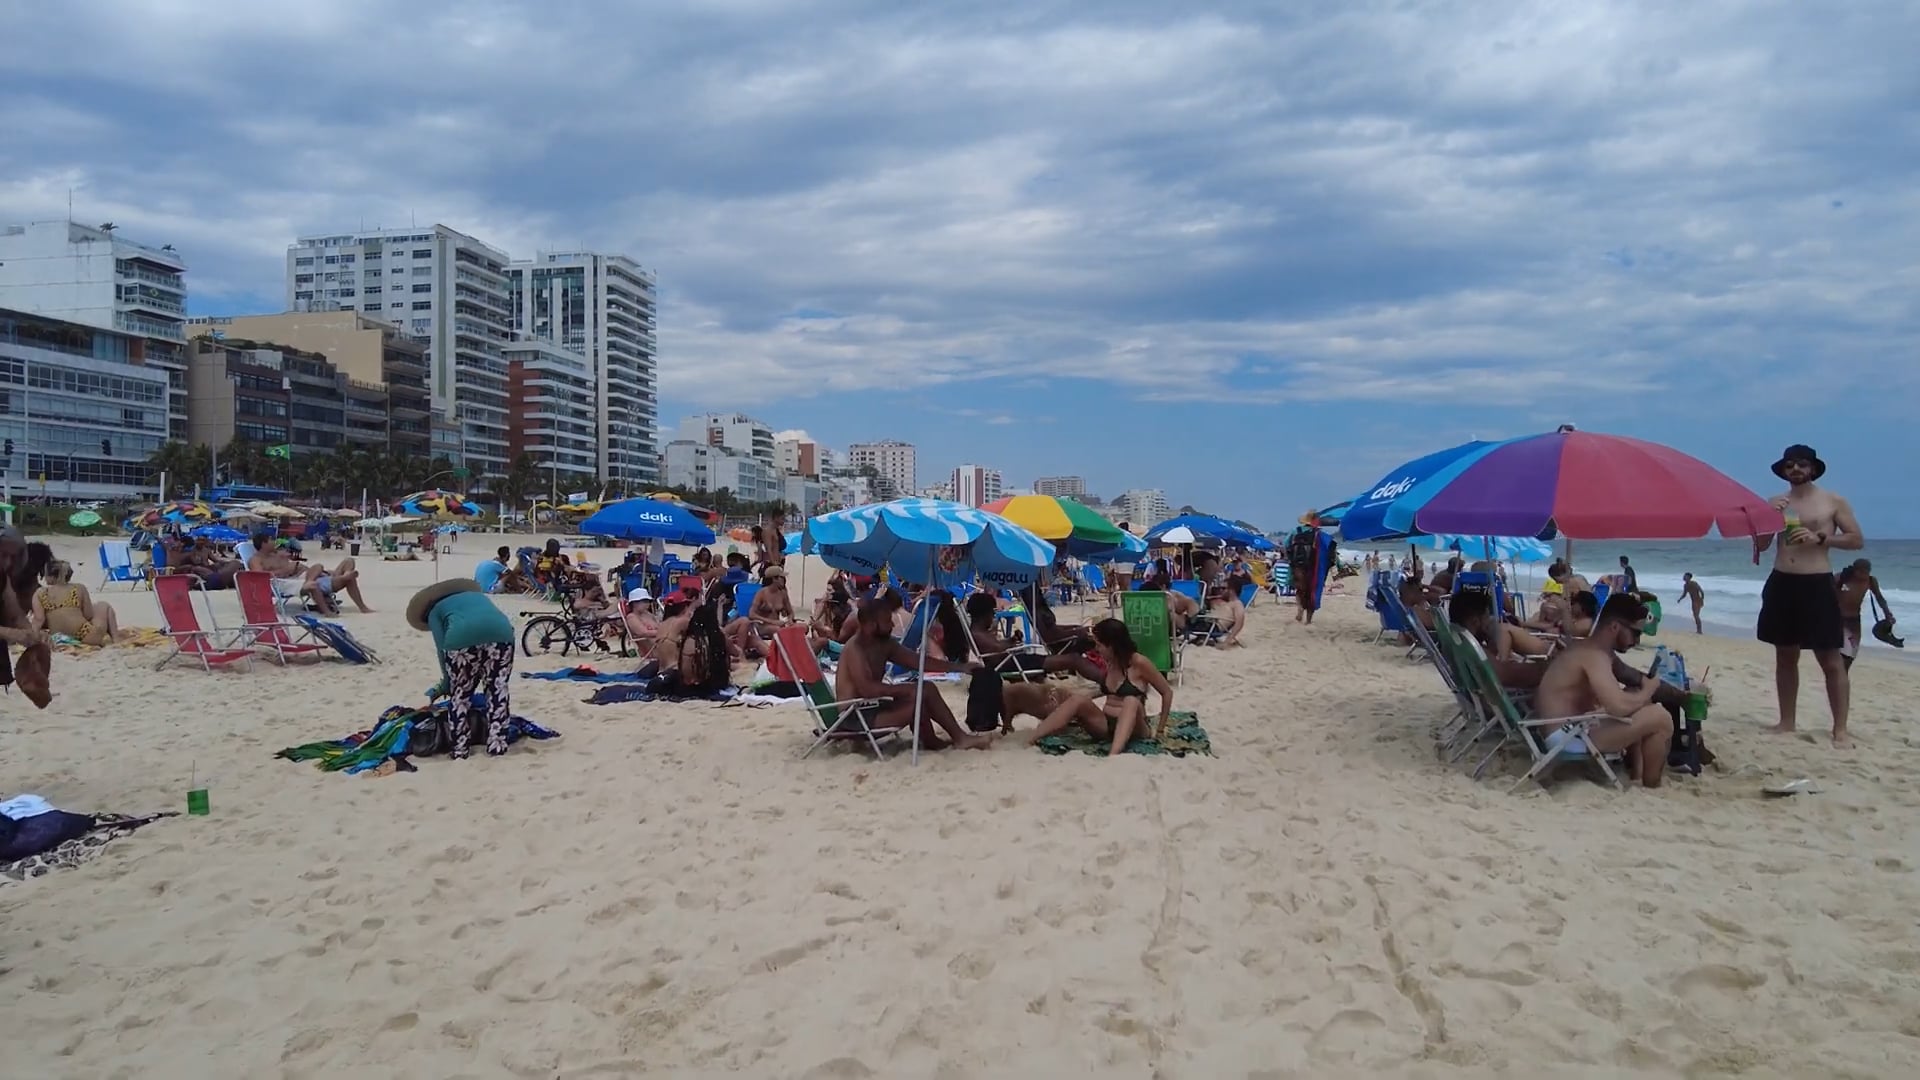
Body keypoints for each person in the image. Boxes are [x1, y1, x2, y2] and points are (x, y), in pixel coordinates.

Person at [1753, 444, 1863, 747]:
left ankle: (1839, 729)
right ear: (1784, 471)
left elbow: (1856, 539)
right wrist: (1767, 519)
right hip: (1782, 582)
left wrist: (1821, 537)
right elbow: (1761, 545)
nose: (1796, 470)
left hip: (1816, 583)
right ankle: (1786, 721)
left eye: (1802, 464)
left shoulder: (1832, 501)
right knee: (1785, 656)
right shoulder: (1776, 502)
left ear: (1813, 469)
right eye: (1790, 465)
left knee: (1830, 658)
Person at [1533, 594, 1673, 788]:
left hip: (1567, 727)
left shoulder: (1588, 648)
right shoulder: (1594, 656)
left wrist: (1640, 696)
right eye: (1635, 633)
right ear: (1615, 627)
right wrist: (1648, 690)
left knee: (1640, 702)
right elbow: (1617, 707)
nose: (1636, 641)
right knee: (1661, 718)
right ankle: (1652, 785)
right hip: (1567, 737)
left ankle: (1637, 775)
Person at [836, 597, 991, 750]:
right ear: (870, 625)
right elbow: (867, 689)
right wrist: (907, 690)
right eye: (887, 621)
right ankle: (958, 739)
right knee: (920, 694)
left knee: (926, 689)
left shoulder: (884, 643)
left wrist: (959, 667)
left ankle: (938, 740)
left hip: (873, 707)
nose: (892, 624)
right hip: (855, 717)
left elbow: (918, 662)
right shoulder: (855, 649)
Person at [1026, 619, 1174, 757]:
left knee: (1131, 701)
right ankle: (1032, 739)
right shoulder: (1110, 662)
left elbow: (1167, 692)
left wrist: (1160, 729)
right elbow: (1104, 691)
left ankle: (1113, 755)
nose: (1097, 649)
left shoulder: (1139, 663)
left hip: (1136, 726)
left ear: (1111, 645)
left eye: (1099, 645)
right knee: (1077, 700)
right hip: (1106, 724)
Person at [407, 579, 515, 759]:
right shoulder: (475, 597)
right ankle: (497, 746)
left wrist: (447, 683)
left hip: (461, 640)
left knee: (461, 696)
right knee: (497, 689)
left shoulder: (434, 612)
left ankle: (460, 749)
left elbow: (442, 649)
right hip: (502, 634)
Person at [0, 527, 52, 708]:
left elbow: (15, 615)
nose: (7, 562)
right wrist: (11, 634)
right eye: (3, 555)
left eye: (13, 558)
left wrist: (32, 635)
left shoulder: (3, 578)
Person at [30, 560, 129, 646]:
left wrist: (33, 635)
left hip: (58, 637)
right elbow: (88, 615)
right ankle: (116, 638)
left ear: (51, 576)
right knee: (103, 606)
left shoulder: (40, 593)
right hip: (84, 634)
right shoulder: (79, 588)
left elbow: (39, 620)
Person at [1836, 560, 1893, 671]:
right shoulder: (1841, 578)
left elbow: (1880, 598)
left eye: (1867, 572)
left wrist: (1887, 613)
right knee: (1837, 656)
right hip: (1836, 620)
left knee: (1850, 655)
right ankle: (1838, 680)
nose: (1864, 575)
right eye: (1862, 572)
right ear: (1855, 570)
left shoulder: (1871, 581)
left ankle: (1841, 679)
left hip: (1854, 622)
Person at [623, 587, 660, 657]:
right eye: (645, 601)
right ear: (634, 603)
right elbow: (643, 633)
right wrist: (661, 632)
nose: (648, 604)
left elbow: (659, 625)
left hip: (658, 642)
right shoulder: (632, 617)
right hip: (651, 648)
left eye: (648, 601)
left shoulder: (648, 614)